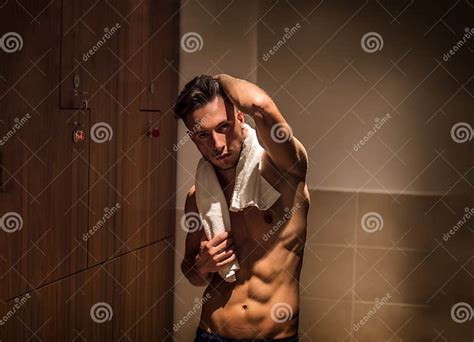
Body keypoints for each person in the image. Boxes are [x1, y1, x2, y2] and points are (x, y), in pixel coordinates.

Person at [175, 74, 309, 341]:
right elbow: (191, 272)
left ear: (239, 117)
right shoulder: (198, 197)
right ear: (192, 138)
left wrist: (219, 79)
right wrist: (203, 266)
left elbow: (261, 106)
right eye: (203, 135)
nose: (217, 144)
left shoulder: (285, 173)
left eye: (223, 126)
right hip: (211, 333)